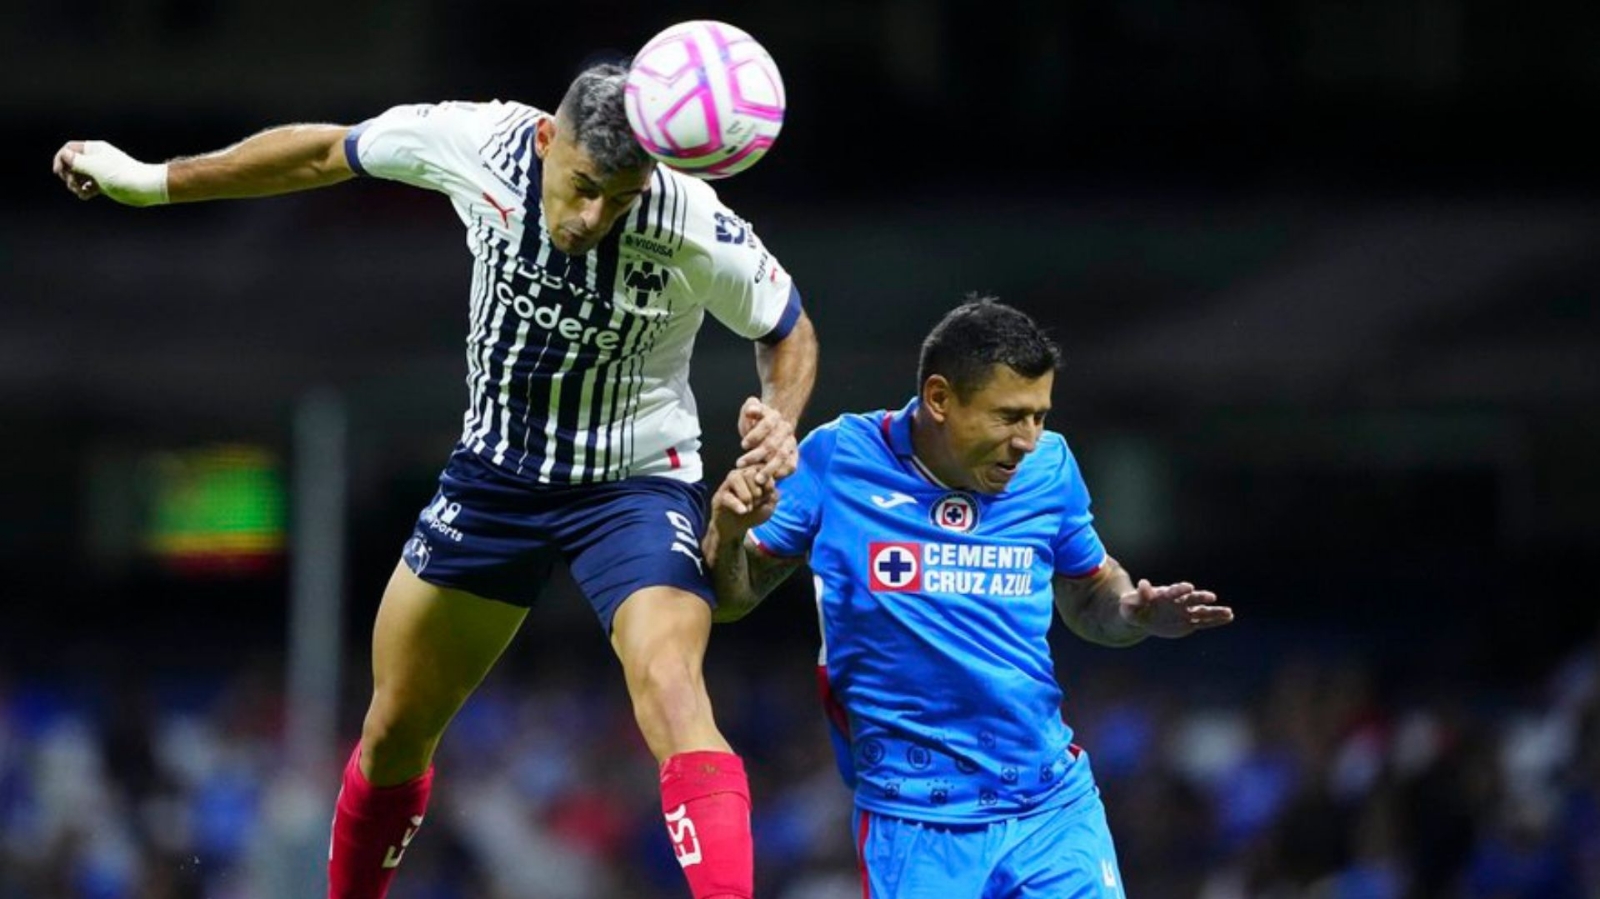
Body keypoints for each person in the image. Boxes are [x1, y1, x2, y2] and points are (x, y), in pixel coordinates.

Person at [54, 63, 819, 899]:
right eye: (584, 187)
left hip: (631, 486)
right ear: (545, 141)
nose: (594, 217)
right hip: (494, 479)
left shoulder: (689, 216)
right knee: (393, 732)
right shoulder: (476, 141)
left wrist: (779, 415)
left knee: (674, 690)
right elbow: (322, 154)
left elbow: (788, 329)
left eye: (621, 198)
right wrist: (150, 182)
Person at [703, 297, 1229, 897]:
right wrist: (730, 530)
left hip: (1050, 807)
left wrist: (1133, 611)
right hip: (914, 823)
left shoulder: (1050, 469)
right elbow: (731, 599)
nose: (1028, 440)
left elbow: (1091, 599)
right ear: (939, 399)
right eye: (1009, 416)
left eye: (1039, 416)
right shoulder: (839, 460)